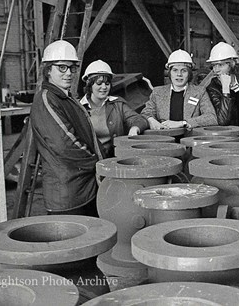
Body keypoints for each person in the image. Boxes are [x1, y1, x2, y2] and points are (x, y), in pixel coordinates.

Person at [29, 40, 101, 216]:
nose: (68, 73)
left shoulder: (66, 98)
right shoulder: (47, 99)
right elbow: (64, 144)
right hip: (67, 194)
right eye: (62, 67)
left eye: (72, 68)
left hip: (82, 188)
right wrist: (97, 163)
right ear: (48, 70)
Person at [79, 60, 149, 158]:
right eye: (99, 83)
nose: (104, 87)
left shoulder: (118, 104)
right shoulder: (78, 107)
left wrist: (134, 128)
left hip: (113, 159)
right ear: (89, 84)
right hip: (88, 160)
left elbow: (139, 119)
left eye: (107, 83)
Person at [142, 49, 217, 130]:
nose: (179, 74)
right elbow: (146, 113)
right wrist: (151, 120)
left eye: (183, 71)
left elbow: (211, 118)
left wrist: (183, 123)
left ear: (189, 74)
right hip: (165, 139)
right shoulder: (158, 92)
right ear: (169, 73)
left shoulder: (199, 92)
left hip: (189, 139)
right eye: (175, 70)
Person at [205, 42, 239, 126]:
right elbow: (223, 121)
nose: (216, 70)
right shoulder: (212, 88)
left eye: (220, 65)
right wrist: (225, 90)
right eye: (214, 66)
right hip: (228, 135)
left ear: (232, 64)